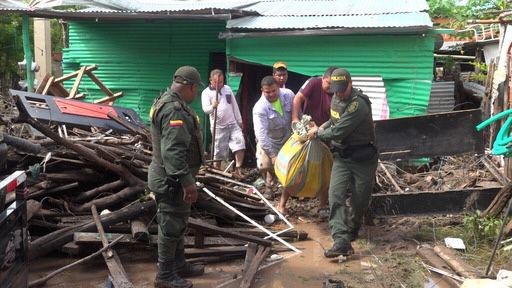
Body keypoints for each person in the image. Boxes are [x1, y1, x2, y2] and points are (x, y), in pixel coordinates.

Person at [307, 68, 378, 258]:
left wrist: (318, 133)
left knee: (359, 199)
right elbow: (333, 120)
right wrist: (322, 126)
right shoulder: (336, 98)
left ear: (350, 84)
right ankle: (341, 240)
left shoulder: (358, 105)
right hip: (343, 157)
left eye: (341, 89)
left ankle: (352, 229)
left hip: (363, 157)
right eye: (334, 89)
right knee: (335, 195)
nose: (338, 93)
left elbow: (339, 132)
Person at [149, 66, 205, 288]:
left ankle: (178, 265)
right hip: (171, 180)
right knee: (171, 226)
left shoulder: (165, 100)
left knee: (178, 223)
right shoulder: (175, 110)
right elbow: (172, 151)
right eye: (196, 90)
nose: (196, 94)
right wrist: (187, 182)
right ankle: (164, 275)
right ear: (190, 87)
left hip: (170, 177)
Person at [291, 66, 339, 216]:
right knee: (298, 165)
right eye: (328, 84)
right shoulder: (313, 83)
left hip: (324, 134)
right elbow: (298, 98)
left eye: (334, 85)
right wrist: (295, 118)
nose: (331, 88)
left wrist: (321, 131)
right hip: (307, 130)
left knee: (325, 170)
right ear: (323, 78)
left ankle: (322, 205)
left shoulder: (338, 93)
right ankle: (283, 202)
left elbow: (334, 119)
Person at [253, 76, 294, 200]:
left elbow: (297, 113)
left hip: (288, 137)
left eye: (273, 91)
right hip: (270, 141)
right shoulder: (259, 108)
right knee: (264, 165)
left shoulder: (289, 95)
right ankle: (269, 185)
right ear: (262, 90)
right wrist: (272, 155)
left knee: (292, 164)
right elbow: (261, 135)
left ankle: (290, 188)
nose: (271, 94)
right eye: (267, 92)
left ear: (279, 88)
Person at [201, 69, 245, 178]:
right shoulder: (206, 93)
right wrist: (213, 106)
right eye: (216, 82)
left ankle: (238, 169)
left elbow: (234, 105)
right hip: (219, 126)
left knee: (240, 143)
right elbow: (205, 110)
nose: (219, 84)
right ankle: (217, 172)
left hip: (232, 123)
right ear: (211, 81)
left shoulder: (227, 89)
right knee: (219, 151)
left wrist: (239, 120)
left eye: (221, 82)